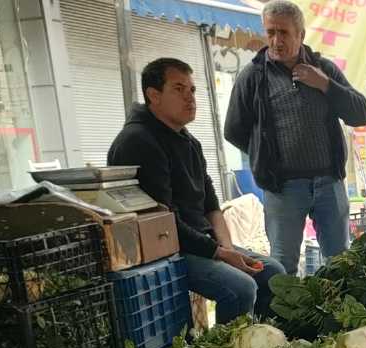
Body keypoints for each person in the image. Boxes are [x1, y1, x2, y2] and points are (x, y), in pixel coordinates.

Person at [110, 58, 286, 325]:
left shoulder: (188, 141)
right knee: (241, 288)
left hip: (203, 243)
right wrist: (221, 254)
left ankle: (263, 342)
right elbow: (164, 222)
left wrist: (227, 248)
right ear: (153, 95)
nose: (190, 98)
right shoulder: (139, 141)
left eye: (192, 90)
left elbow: (211, 205)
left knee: (273, 271)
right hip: (166, 251)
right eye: (178, 89)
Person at [223, 0, 366, 275]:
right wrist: (265, 156)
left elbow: (360, 114)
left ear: (301, 35)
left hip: (329, 183)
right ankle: (287, 320)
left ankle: (339, 315)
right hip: (283, 188)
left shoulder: (324, 69)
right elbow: (233, 129)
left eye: (284, 33)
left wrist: (325, 84)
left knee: (340, 263)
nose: (276, 40)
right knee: (283, 266)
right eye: (270, 32)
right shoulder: (253, 77)